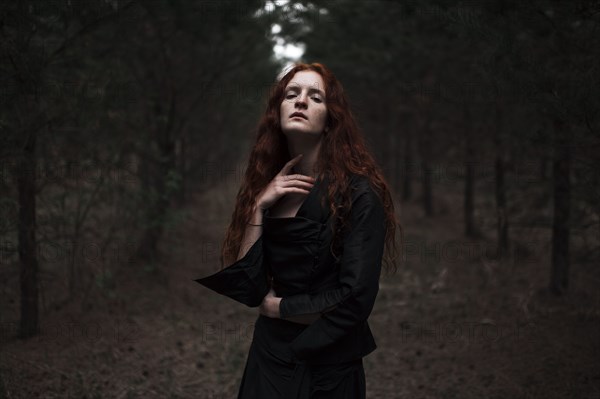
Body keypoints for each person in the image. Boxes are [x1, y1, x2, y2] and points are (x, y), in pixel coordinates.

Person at [194, 62, 401, 399]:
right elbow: (250, 285)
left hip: (326, 364)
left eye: (315, 97)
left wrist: (280, 308)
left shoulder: (360, 194)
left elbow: (355, 298)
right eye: (292, 94)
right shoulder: (269, 186)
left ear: (330, 120)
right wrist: (259, 206)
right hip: (268, 355)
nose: (301, 101)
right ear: (278, 112)